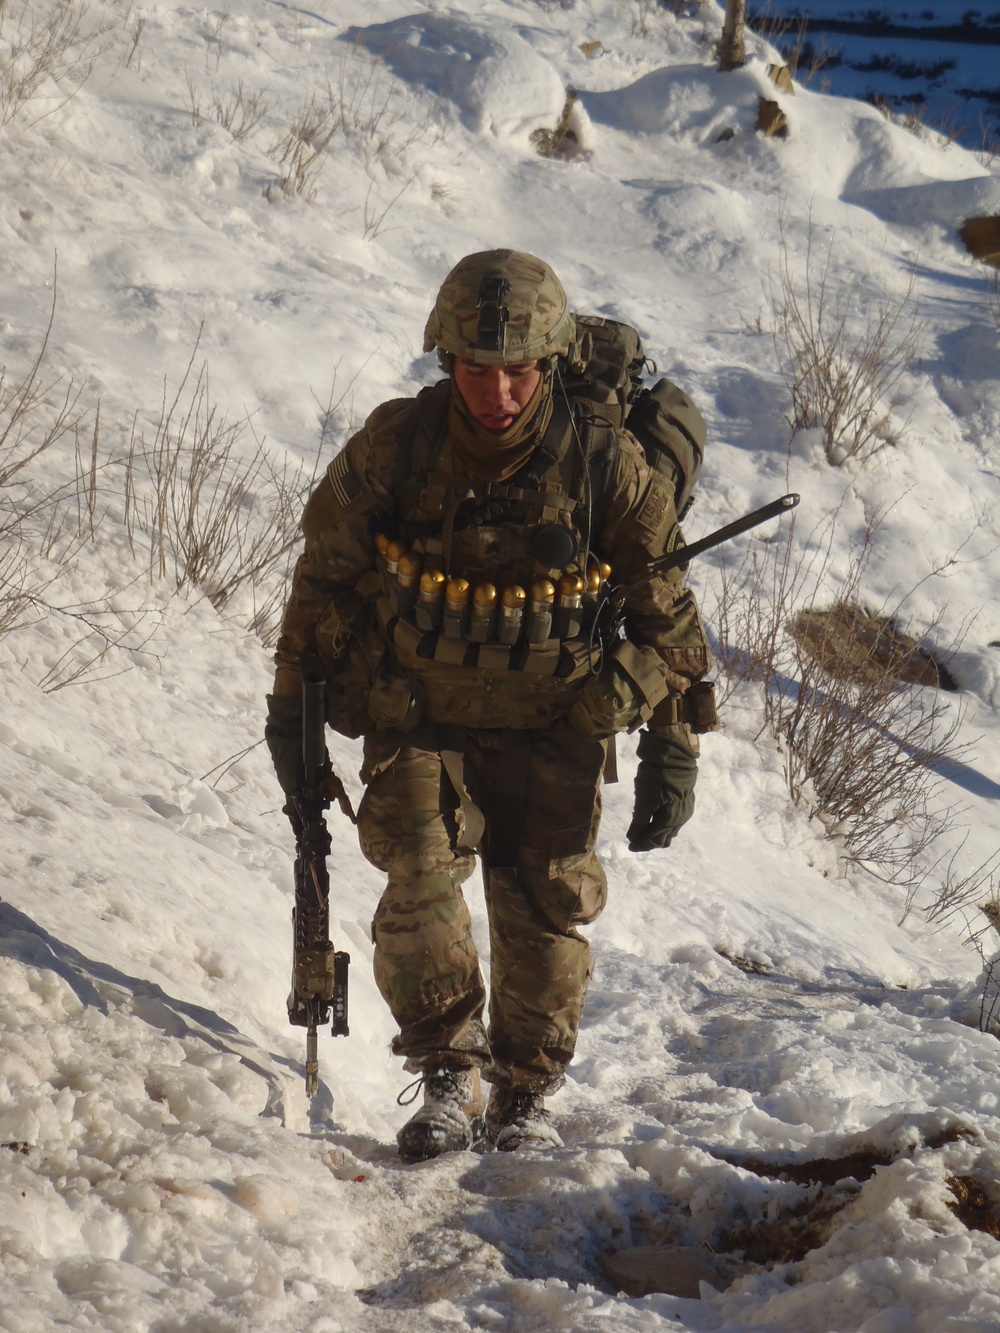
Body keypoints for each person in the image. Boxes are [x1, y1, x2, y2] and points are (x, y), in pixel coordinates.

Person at [265, 249, 714, 1161]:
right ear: (447, 358)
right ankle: (448, 1071)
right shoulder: (396, 446)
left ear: (550, 361)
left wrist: (670, 743)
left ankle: (526, 1090)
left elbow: (669, 621)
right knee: (417, 873)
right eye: (477, 368)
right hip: (419, 713)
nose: (498, 392)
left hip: (559, 720)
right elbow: (320, 583)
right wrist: (289, 713)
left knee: (545, 904)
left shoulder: (605, 463)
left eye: (518, 370)